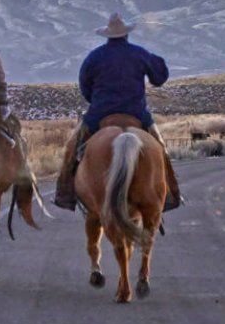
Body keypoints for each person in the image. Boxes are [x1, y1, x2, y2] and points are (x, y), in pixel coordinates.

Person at [53, 12, 180, 211]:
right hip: (137, 113)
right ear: (126, 35)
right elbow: (159, 77)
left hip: (99, 114)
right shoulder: (139, 53)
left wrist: (96, 101)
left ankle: (65, 193)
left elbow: (85, 86)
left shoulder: (94, 57)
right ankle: (171, 193)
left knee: (72, 147)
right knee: (160, 147)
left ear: (107, 36)